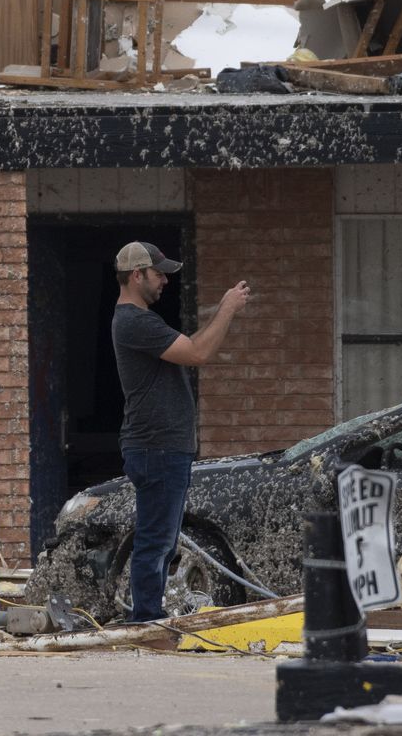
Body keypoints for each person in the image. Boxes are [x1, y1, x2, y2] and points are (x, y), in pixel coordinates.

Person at [111, 241, 251, 623]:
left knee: (161, 538)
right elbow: (198, 353)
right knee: (155, 540)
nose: (165, 281)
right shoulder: (135, 321)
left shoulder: (140, 322)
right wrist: (227, 309)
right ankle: (146, 620)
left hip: (161, 448)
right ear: (137, 275)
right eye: (159, 274)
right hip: (156, 448)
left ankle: (148, 616)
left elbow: (191, 346)